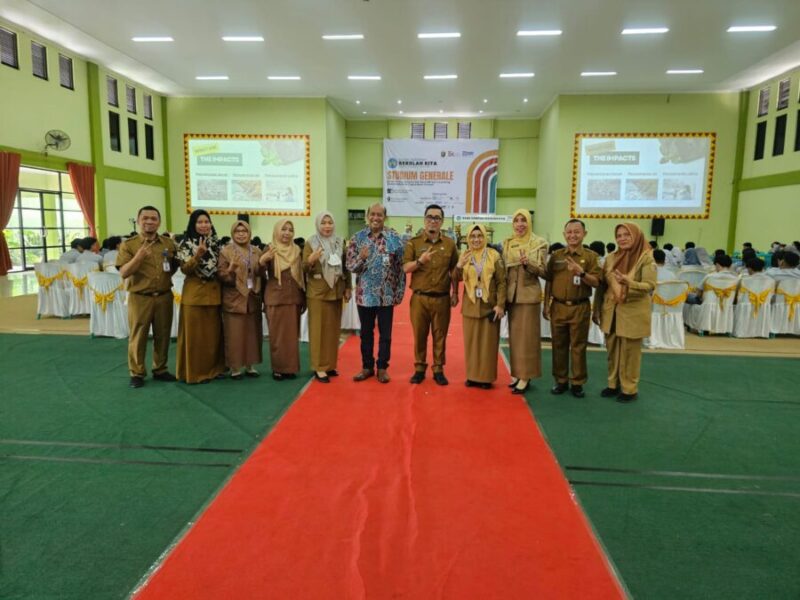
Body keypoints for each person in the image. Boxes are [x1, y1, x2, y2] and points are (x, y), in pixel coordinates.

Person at [116, 206, 179, 388]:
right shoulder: (129, 245)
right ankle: (137, 373)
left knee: (163, 334)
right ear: (138, 221)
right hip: (140, 297)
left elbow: (173, 266)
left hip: (164, 296)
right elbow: (124, 272)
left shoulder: (168, 243)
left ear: (159, 222)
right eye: (145, 218)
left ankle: (160, 369)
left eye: (153, 218)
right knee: (138, 336)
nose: (149, 222)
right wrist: (139, 257)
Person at [595, 223, 656, 403]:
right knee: (612, 349)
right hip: (611, 311)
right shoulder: (611, 258)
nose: (622, 239)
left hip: (633, 312)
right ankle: (613, 384)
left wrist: (630, 283)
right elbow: (602, 286)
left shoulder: (646, 258)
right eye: (619, 235)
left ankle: (629, 389)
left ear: (636, 236)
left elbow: (650, 286)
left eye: (626, 235)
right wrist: (597, 309)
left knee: (630, 353)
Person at [345, 203, 406, 383]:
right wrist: (361, 258)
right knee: (366, 333)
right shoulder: (357, 238)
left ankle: (382, 368)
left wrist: (399, 292)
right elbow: (350, 266)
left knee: (385, 335)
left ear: (385, 217)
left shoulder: (394, 238)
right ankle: (367, 367)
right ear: (367, 215)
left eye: (379, 215)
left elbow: (400, 268)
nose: (376, 218)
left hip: (387, 295)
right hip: (365, 296)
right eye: (372, 214)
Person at [543, 219, 601, 398]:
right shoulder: (556, 256)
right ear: (564, 234)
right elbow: (549, 280)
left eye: (577, 232)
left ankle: (577, 382)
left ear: (584, 234)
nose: (572, 235)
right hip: (558, 306)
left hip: (580, 307)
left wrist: (581, 273)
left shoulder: (591, 257)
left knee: (578, 346)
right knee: (558, 345)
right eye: (569, 232)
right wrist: (546, 304)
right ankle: (560, 380)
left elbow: (596, 282)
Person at [403, 203, 459, 385]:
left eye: (437, 218)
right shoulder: (414, 242)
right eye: (430, 217)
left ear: (442, 221)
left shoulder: (450, 244)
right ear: (424, 219)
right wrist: (420, 261)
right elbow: (405, 268)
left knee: (440, 336)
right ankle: (419, 368)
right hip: (419, 298)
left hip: (442, 298)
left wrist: (455, 293)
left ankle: (438, 369)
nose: (433, 221)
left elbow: (454, 271)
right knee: (420, 335)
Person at [175, 210, 226, 384]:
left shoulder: (216, 243)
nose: (204, 225)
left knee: (213, 337)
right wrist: (197, 255)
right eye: (199, 222)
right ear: (193, 224)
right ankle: (196, 373)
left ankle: (214, 370)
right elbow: (185, 269)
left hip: (214, 294)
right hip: (194, 295)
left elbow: (220, 268)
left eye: (207, 221)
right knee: (195, 338)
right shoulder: (185, 244)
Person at [303, 212, 352, 383]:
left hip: (336, 291)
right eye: (323, 223)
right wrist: (311, 260)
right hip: (318, 293)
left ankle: (330, 365)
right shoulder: (310, 242)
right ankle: (319, 367)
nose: (327, 226)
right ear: (318, 225)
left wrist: (348, 287)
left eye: (330, 222)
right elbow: (303, 268)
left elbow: (346, 266)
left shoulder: (340, 241)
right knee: (318, 331)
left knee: (333, 331)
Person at [456, 224, 506, 389]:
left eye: (479, 236)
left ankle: (485, 378)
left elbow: (502, 282)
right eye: (472, 236)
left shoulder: (494, 255)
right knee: (471, 344)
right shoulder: (465, 255)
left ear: (485, 237)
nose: (476, 239)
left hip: (489, 306)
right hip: (470, 305)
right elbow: (455, 278)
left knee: (487, 345)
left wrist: (500, 305)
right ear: (468, 239)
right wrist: (459, 265)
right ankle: (472, 376)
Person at [503, 209, 547, 394]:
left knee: (527, 339)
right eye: (516, 220)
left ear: (529, 223)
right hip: (512, 297)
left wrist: (528, 264)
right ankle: (518, 373)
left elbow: (545, 272)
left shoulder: (539, 243)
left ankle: (526, 376)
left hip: (528, 297)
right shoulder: (508, 243)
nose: (520, 224)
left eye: (523, 220)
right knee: (515, 339)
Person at [260, 219, 305, 380]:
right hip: (275, 298)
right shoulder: (269, 248)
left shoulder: (297, 250)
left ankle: (290, 368)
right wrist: (262, 261)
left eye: (290, 230)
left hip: (293, 297)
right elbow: (260, 274)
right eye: (283, 229)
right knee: (277, 336)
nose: (287, 233)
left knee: (291, 337)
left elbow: (302, 276)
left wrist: (303, 299)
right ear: (277, 231)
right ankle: (278, 368)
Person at [218, 220, 263, 379]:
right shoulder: (226, 251)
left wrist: (263, 264)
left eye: (244, 231)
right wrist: (230, 271)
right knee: (234, 334)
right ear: (232, 233)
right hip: (234, 298)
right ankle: (235, 368)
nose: (241, 234)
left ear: (249, 233)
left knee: (252, 334)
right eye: (238, 231)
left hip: (252, 297)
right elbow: (221, 275)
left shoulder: (256, 251)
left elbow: (261, 273)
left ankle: (250, 366)